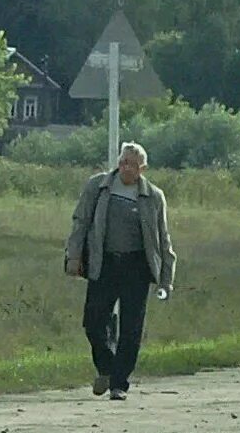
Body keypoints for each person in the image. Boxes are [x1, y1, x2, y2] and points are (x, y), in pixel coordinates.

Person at [64, 141, 175, 399]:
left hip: (136, 266)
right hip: (104, 263)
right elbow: (81, 221)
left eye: (132, 164)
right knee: (93, 321)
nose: (126, 168)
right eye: (123, 162)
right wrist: (74, 256)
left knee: (131, 327)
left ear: (142, 169)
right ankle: (106, 366)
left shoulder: (153, 196)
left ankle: (118, 384)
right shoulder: (98, 186)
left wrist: (166, 280)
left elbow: (163, 238)